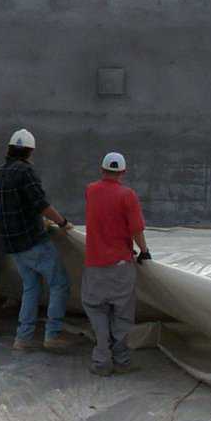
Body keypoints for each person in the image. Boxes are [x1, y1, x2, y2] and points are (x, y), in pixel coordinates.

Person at [0, 128, 73, 351]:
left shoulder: (2, 172)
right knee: (60, 283)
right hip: (31, 240)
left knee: (30, 287)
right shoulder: (25, 172)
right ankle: (52, 335)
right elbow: (41, 203)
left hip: (12, 243)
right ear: (30, 151)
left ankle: (23, 337)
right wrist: (62, 222)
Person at [82, 152, 150, 376]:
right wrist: (144, 251)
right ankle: (121, 360)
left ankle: (101, 361)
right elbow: (136, 229)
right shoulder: (127, 195)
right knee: (121, 314)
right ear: (123, 172)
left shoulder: (90, 191)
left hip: (94, 264)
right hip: (120, 265)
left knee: (97, 310)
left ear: (102, 169)